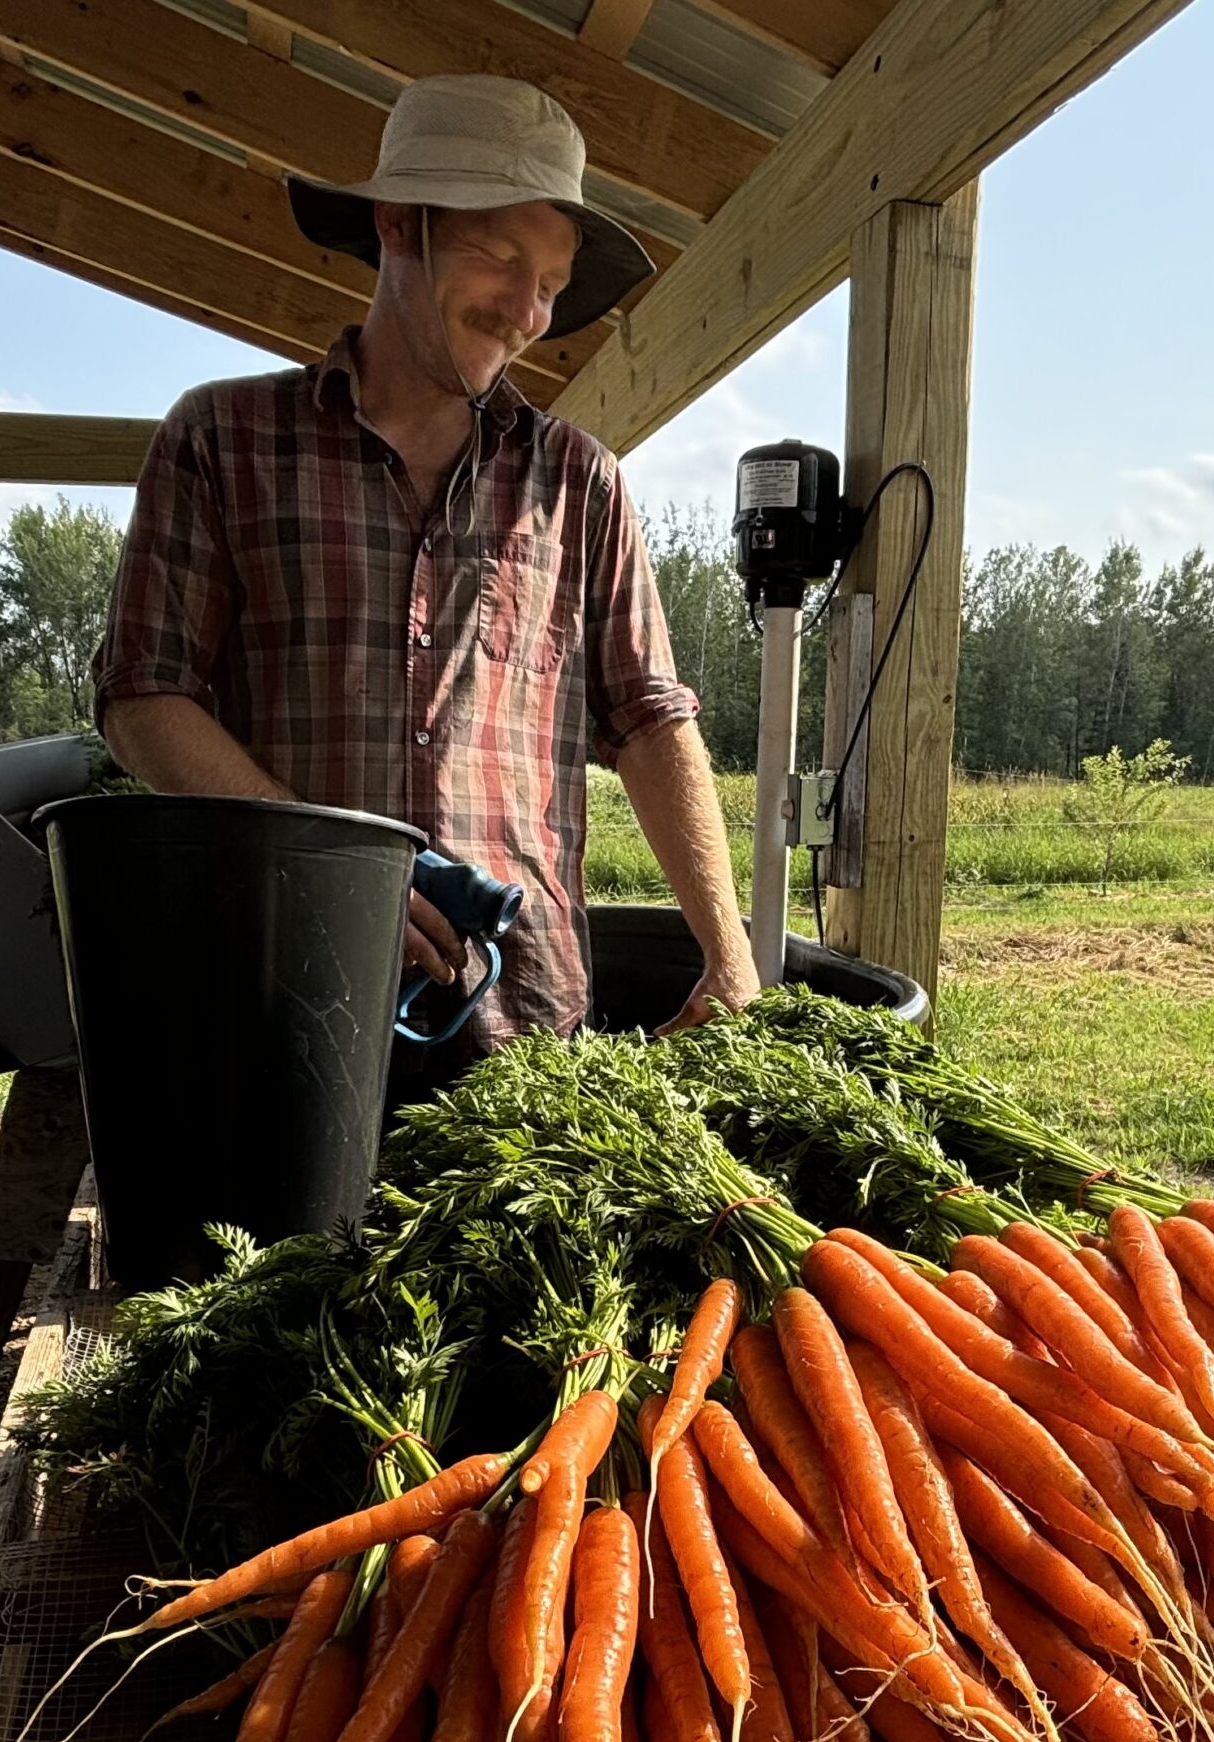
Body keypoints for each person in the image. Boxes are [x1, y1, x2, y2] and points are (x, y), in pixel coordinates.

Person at [91, 74, 758, 1067]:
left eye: (551, 283)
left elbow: (650, 719)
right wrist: (340, 872)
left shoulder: (577, 481)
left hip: (519, 1013)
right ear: (399, 223)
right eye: (502, 257)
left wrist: (728, 953)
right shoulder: (225, 439)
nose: (526, 311)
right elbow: (143, 695)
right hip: (278, 994)